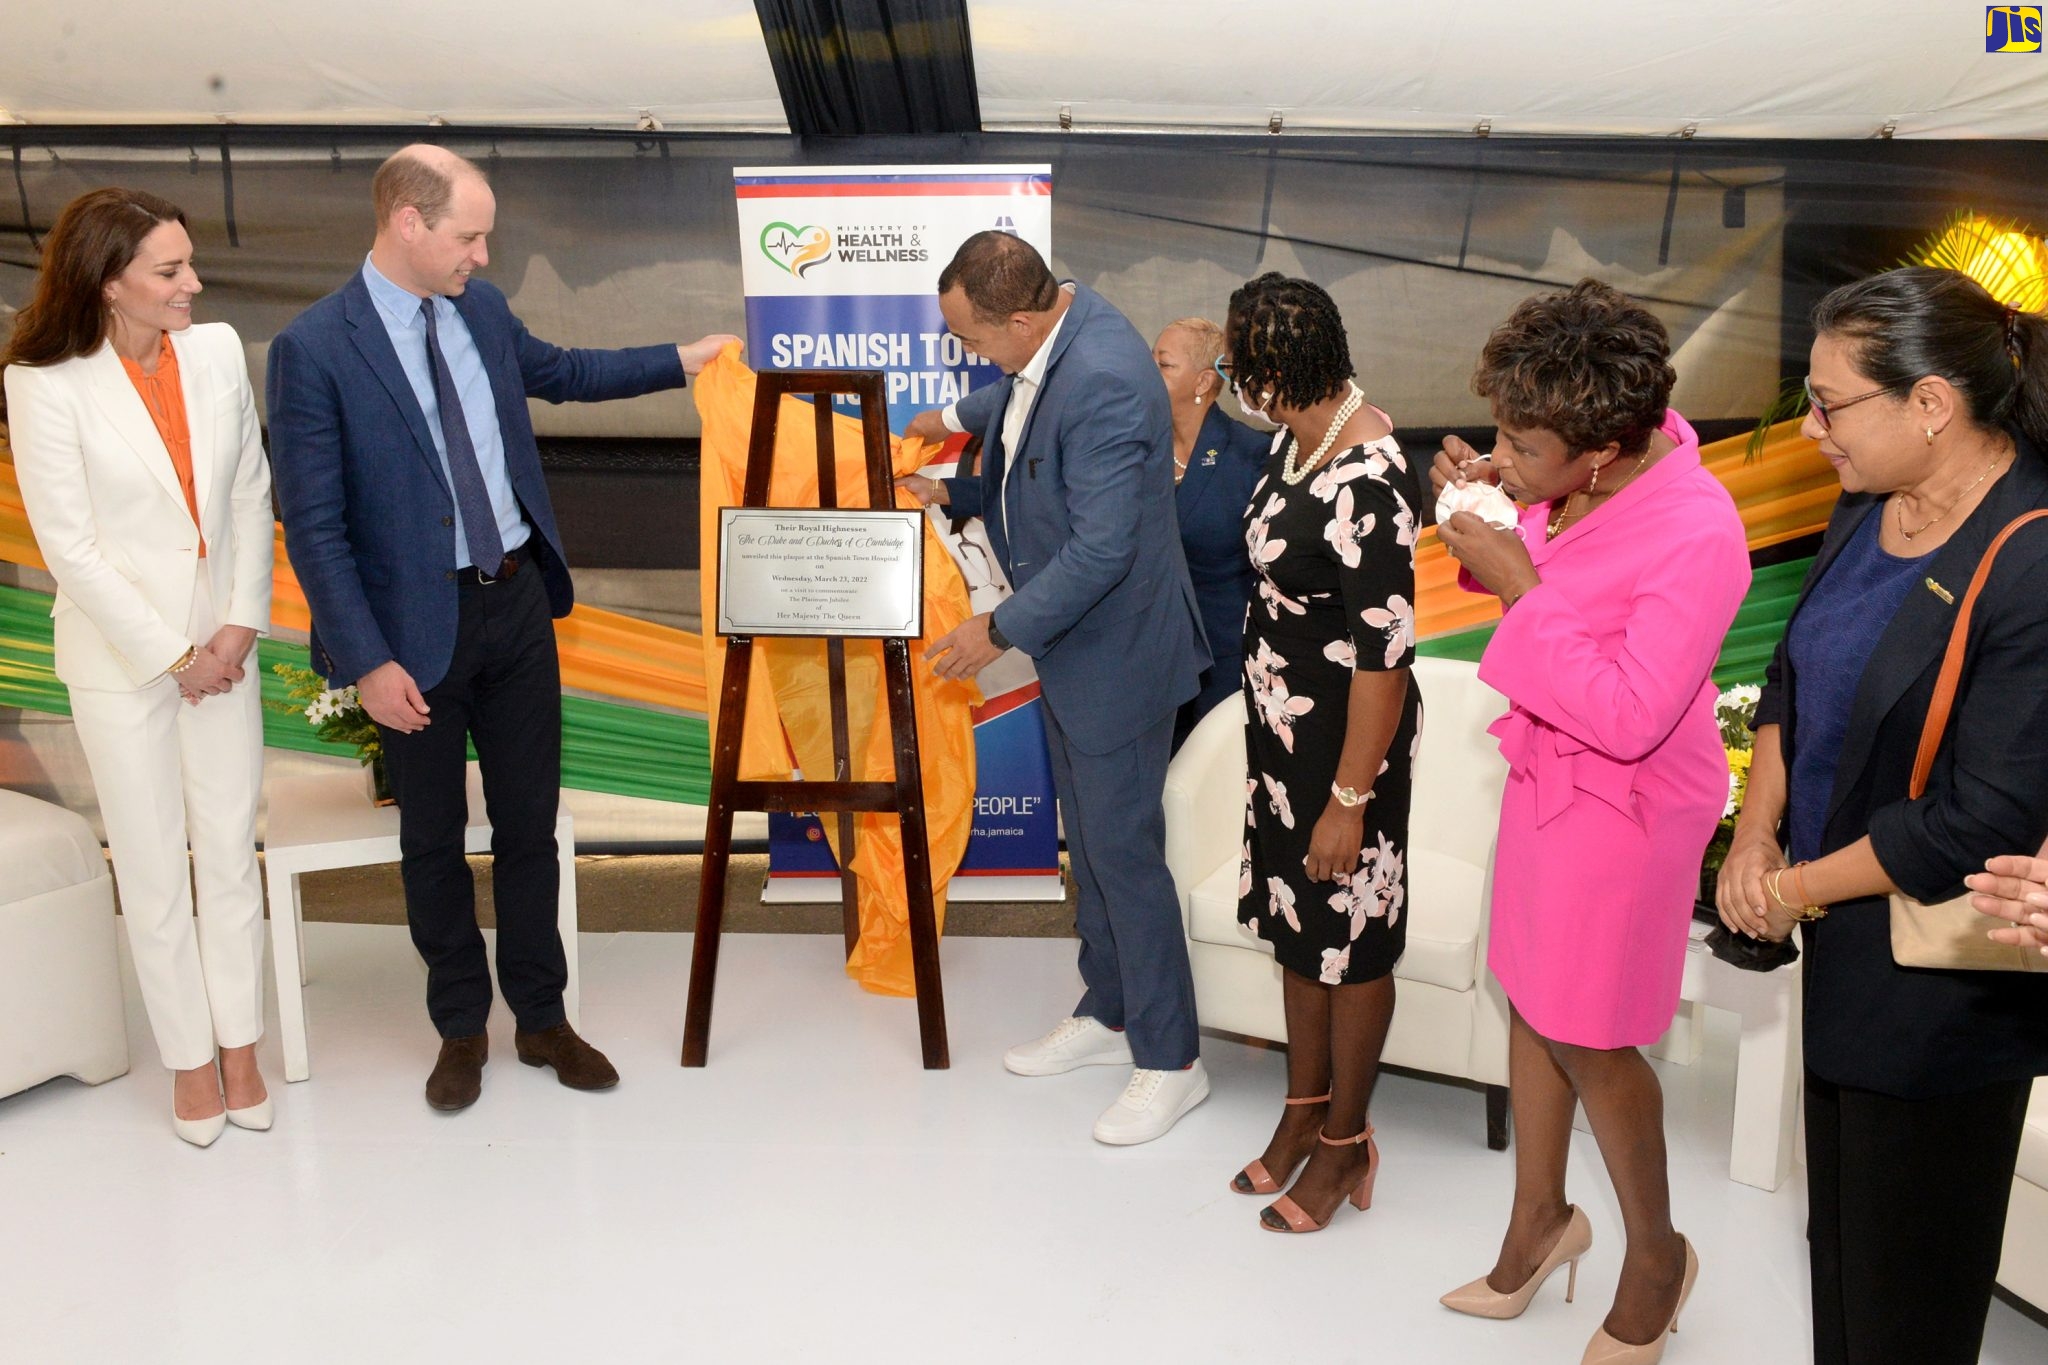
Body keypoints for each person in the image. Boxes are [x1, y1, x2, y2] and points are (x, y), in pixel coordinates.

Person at [266, 145, 738, 1112]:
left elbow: (563, 371)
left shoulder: (478, 310)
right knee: (432, 839)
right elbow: (313, 527)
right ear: (407, 222)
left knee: (531, 826)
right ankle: (459, 1027)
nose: (483, 255)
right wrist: (367, 661)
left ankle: (542, 1018)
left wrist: (683, 360)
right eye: (469, 236)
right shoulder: (314, 348)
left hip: (516, 604)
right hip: (408, 632)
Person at [1715, 266, 2048, 1365]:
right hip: (1841, 940)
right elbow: (1792, 675)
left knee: (1908, 1296)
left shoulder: (2030, 554)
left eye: (1829, 405)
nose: (1809, 429)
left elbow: (1976, 818)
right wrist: (1756, 831)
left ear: (1930, 404)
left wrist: (1787, 890)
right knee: (1842, 1258)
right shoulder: (1866, 504)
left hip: (1943, 991)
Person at [1431, 279, 1748, 1363]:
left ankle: (1656, 1256)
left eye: (1521, 446)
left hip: (1626, 805)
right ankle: (1539, 1220)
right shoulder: (1578, 474)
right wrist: (1492, 508)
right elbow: (1554, 566)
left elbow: (1627, 713)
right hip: (1547, 778)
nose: (1501, 456)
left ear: (1605, 449)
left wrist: (1518, 582)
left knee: (1591, 1032)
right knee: (1531, 995)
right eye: (1499, 434)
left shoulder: (1698, 530)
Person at [898, 231, 1210, 1145]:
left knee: (1125, 856)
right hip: (1076, 651)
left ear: (1023, 321)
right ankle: (1109, 1010)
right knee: (1093, 846)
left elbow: (1102, 548)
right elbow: (1013, 408)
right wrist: (941, 434)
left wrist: (994, 629)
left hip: (1120, 654)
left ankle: (1172, 1059)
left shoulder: (1105, 378)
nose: (969, 353)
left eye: (972, 338)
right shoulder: (1058, 328)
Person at [4, 188, 275, 1147]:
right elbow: (70, 549)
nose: (193, 282)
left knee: (230, 855)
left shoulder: (218, 351)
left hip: (225, 650)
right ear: (108, 282)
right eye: (169, 270)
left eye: (189, 261)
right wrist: (173, 657)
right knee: (155, 868)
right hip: (123, 662)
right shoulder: (44, 381)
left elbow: (249, 493)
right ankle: (190, 1065)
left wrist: (240, 623)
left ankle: (242, 1048)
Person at [1214, 274, 1421, 1234]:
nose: (1233, 382)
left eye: (1236, 367)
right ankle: (1303, 1110)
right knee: (1299, 923)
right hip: (1283, 737)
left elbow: (1385, 658)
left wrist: (1349, 797)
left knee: (1353, 936)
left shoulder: (1369, 477)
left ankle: (1347, 1140)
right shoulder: (1295, 442)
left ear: (1273, 373)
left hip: (1348, 750)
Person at [1153, 317, 1270, 751]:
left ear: (1203, 381)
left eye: (1164, 364)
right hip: (1154, 663)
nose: (1147, 373)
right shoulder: (1136, 448)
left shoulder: (1252, 457)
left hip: (1226, 665)